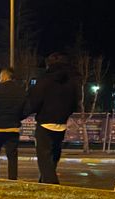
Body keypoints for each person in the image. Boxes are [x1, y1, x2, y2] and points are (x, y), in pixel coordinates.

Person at [26, 52, 80, 184]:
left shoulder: (44, 81)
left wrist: (25, 111)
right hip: (61, 124)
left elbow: (34, 102)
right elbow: (75, 103)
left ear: (48, 64)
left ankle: (52, 184)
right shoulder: (72, 82)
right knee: (54, 157)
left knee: (44, 159)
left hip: (45, 123)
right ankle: (44, 183)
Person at [0, 67, 29, 180]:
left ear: (4, 76)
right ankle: (12, 179)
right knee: (12, 157)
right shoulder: (21, 92)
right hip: (13, 129)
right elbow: (26, 110)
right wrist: (17, 118)